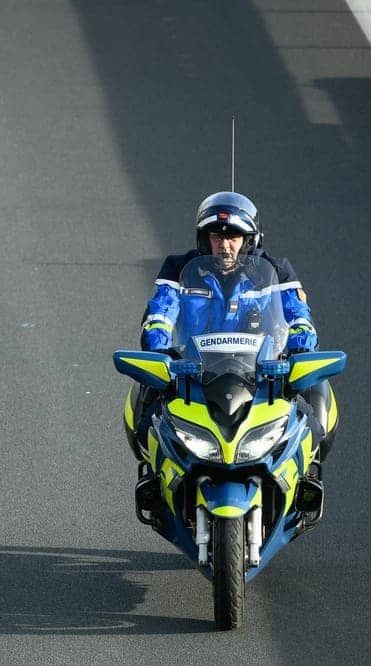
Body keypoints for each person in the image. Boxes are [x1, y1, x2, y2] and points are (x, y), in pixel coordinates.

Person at [126, 191, 337, 509]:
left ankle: (302, 479)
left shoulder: (275, 271)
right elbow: (160, 313)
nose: (225, 245)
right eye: (216, 236)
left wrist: (298, 350)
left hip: (262, 373)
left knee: (314, 413)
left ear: (250, 239)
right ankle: (158, 486)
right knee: (146, 417)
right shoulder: (178, 269)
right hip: (193, 373)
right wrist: (161, 349)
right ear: (204, 239)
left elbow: (298, 318)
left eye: (234, 236)